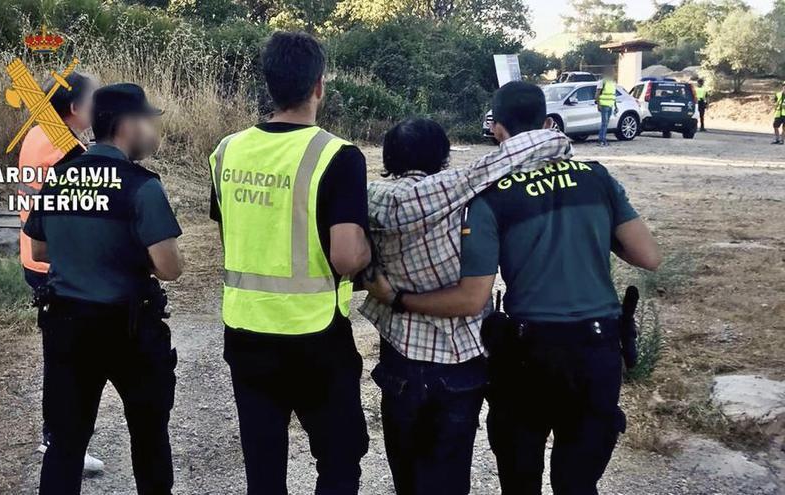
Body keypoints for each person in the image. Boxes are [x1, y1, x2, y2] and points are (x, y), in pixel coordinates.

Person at [367, 81, 662, 495]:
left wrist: (395, 297)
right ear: (545, 123)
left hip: (530, 356)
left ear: (498, 130)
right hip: (598, 351)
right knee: (577, 482)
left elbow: (471, 294)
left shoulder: (492, 197)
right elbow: (648, 256)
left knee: (519, 479)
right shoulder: (597, 178)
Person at [361, 117, 571, 495]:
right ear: (442, 156)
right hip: (460, 362)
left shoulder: (370, 197)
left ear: (389, 156)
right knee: (451, 475)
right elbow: (539, 147)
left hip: (401, 360)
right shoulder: (456, 187)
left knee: (406, 476)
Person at [208, 31, 371, 495]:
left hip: (245, 330)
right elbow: (345, 257)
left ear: (270, 84)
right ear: (319, 85)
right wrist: (365, 254)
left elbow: (233, 232)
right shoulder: (337, 156)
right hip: (315, 334)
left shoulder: (226, 151)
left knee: (263, 465)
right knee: (340, 457)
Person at [23, 83, 184, 495]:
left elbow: (40, 247)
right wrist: (129, 251)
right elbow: (170, 268)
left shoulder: (62, 175)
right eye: (149, 121)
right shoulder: (142, 186)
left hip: (67, 328)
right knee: (148, 438)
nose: (152, 131)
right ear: (127, 125)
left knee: (65, 445)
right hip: (128, 331)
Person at [15, 71, 104, 472]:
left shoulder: (38, 132)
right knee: (69, 357)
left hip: (34, 256)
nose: (97, 109)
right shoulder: (64, 147)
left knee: (60, 352)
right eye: (93, 101)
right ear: (73, 108)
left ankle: (57, 436)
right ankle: (61, 440)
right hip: (56, 262)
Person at [595, 71, 617, 146]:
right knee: (604, 123)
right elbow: (597, 94)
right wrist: (598, 104)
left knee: (606, 124)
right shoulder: (602, 82)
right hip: (604, 105)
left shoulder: (612, 83)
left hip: (610, 105)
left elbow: (613, 95)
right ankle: (602, 140)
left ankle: (603, 139)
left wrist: (615, 106)